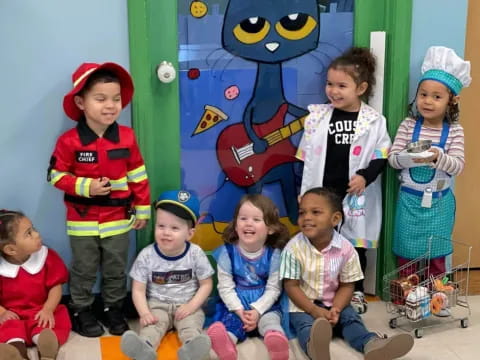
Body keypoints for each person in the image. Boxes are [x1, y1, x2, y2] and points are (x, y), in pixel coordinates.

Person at [47, 62, 151, 337]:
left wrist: (142, 210)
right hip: (82, 221)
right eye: (101, 98)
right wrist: (85, 186)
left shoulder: (127, 137)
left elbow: (138, 174)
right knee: (84, 268)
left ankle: (113, 308)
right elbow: (55, 176)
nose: (110, 105)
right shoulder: (69, 141)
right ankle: (81, 309)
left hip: (118, 219)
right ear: (81, 102)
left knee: (116, 266)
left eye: (116, 99)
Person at [296, 47, 392, 313]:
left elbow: (381, 155)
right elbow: (303, 158)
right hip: (322, 193)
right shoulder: (317, 117)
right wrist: (302, 191)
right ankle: (320, 289)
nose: (333, 91)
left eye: (341, 85)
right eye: (329, 84)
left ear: (360, 88)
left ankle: (356, 291)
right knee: (319, 239)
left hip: (354, 195)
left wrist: (364, 177)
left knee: (354, 246)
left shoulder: (373, 121)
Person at [280, 188, 414, 360]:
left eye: (315, 212)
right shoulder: (293, 248)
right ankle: (314, 347)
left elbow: (347, 285)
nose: (306, 217)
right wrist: (313, 310)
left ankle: (371, 345)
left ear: (335, 219)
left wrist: (336, 308)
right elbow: (291, 286)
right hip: (303, 305)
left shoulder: (346, 249)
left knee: (351, 319)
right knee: (305, 325)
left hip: (334, 302)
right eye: (302, 212)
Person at [388, 46, 471, 278]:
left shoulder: (455, 131)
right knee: (406, 254)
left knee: (436, 253)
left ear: (451, 101)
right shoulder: (408, 126)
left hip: (439, 204)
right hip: (409, 203)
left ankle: (437, 296)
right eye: (423, 94)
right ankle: (408, 298)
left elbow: (458, 166)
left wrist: (438, 157)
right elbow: (393, 160)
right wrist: (409, 158)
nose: (427, 101)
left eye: (437, 97)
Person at [120, 190, 214, 360]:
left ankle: (192, 349)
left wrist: (192, 306)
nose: (166, 232)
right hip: (157, 305)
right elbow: (138, 290)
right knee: (151, 327)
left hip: (187, 306)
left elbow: (206, 284)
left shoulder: (195, 253)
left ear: (190, 233)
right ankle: (144, 348)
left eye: (175, 228)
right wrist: (144, 313)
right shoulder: (147, 255)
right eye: (161, 226)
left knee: (191, 326)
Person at [207, 194, 291, 360]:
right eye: (243, 218)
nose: (248, 223)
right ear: (236, 226)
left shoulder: (274, 255)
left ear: (271, 228)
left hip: (265, 304)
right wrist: (239, 311)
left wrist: (257, 310)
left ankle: (276, 343)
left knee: (271, 320)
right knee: (230, 322)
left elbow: (274, 288)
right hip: (235, 303)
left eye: (256, 219)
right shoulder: (227, 253)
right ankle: (226, 346)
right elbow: (225, 287)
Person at [0, 210, 71, 360]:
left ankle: (46, 350)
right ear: (11, 249)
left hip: (40, 310)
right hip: (12, 314)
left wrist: (48, 309)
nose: (37, 234)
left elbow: (55, 287)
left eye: (34, 229)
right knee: (9, 327)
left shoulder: (46, 256)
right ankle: (15, 352)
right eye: (28, 234)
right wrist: (2, 312)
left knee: (47, 324)